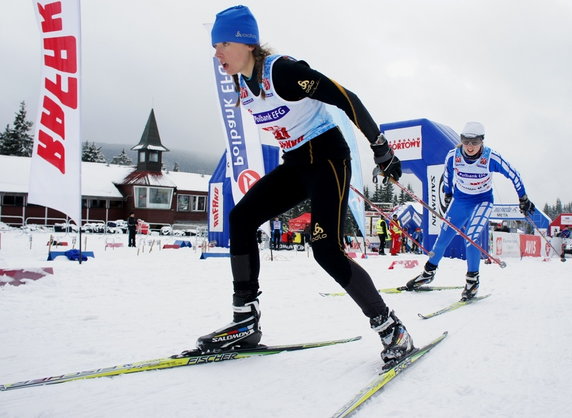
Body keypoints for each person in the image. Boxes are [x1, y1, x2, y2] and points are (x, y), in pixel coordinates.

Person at [196, 5, 413, 367]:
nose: (216, 53)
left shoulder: (284, 72)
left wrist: (381, 147)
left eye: (222, 44)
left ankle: (392, 328)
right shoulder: (240, 81)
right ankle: (245, 320)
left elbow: (347, 98)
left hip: (328, 160)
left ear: (245, 42)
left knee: (325, 249)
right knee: (242, 217)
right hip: (297, 163)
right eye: (214, 45)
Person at [404, 121, 535, 300]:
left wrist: (523, 198)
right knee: (443, 238)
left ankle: (472, 281)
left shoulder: (491, 158)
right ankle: (428, 273)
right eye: (466, 141)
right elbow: (448, 175)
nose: (470, 146)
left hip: (483, 201)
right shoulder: (453, 156)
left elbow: (514, 174)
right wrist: (448, 193)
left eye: (474, 142)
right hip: (461, 200)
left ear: (482, 141)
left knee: (471, 238)